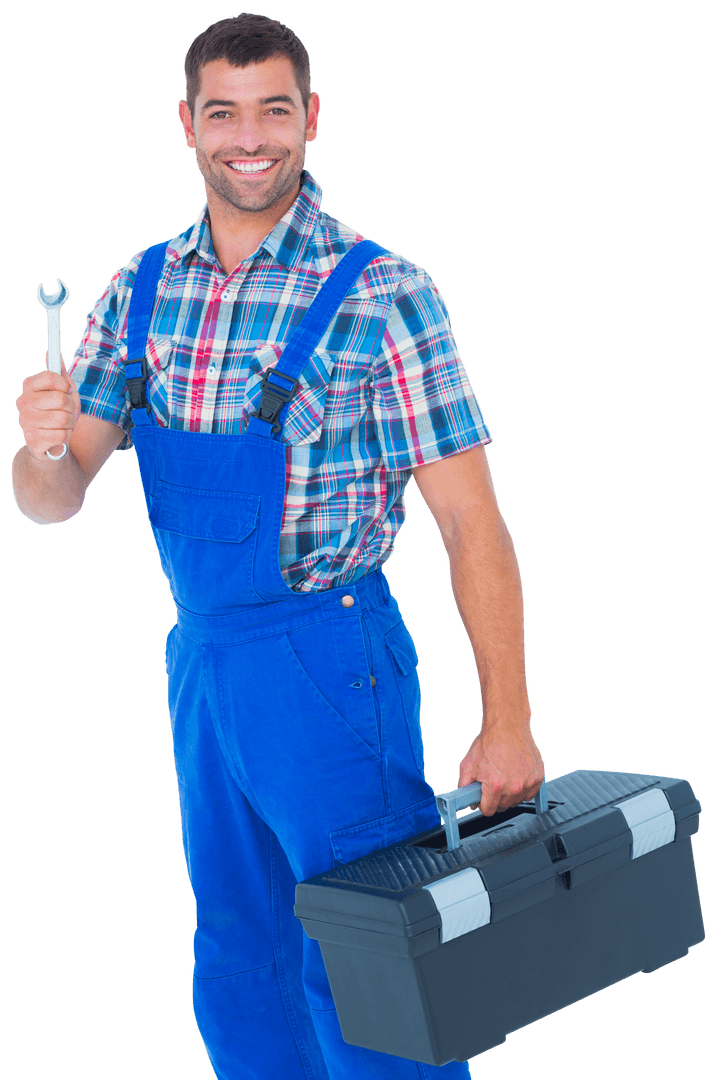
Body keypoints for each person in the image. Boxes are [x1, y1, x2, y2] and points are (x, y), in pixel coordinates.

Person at [12, 12, 544, 1080]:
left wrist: (508, 721)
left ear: (309, 118)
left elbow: (471, 522)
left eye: (271, 110)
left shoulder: (384, 294)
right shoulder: (143, 288)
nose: (247, 137)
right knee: (240, 964)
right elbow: (53, 500)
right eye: (223, 112)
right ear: (187, 125)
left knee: (368, 966)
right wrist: (39, 449)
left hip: (328, 659)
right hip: (203, 662)